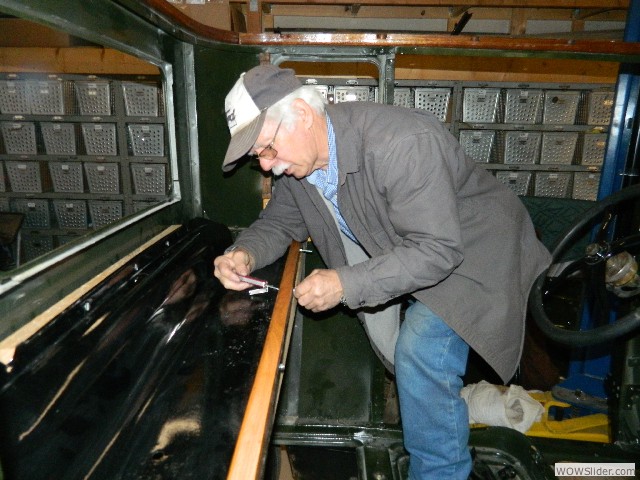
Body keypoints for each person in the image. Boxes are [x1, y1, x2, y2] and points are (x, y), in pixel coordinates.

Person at [213, 65, 551, 479]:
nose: (266, 167)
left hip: (476, 252)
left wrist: (346, 283)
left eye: (266, 149)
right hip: (409, 246)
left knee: (420, 352)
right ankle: (440, 407)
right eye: (257, 157)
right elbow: (281, 222)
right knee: (402, 354)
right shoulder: (300, 164)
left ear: (301, 114)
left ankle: (439, 471)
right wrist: (243, 252)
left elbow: (437, 250)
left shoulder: (401, 142)